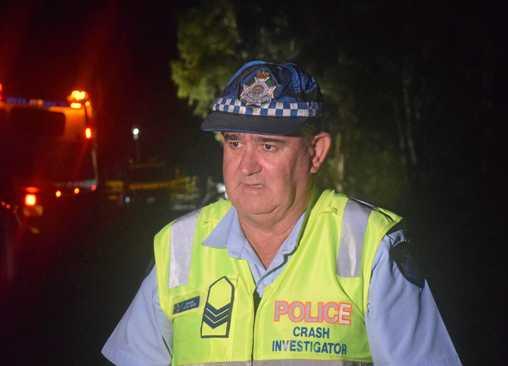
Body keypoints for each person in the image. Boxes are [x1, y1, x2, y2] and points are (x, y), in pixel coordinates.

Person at [102, 60, 462, 365]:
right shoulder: (177, 245)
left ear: (316, 152)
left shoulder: (370, 246)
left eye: (269, 145)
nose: (246, 166)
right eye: (234, 142)